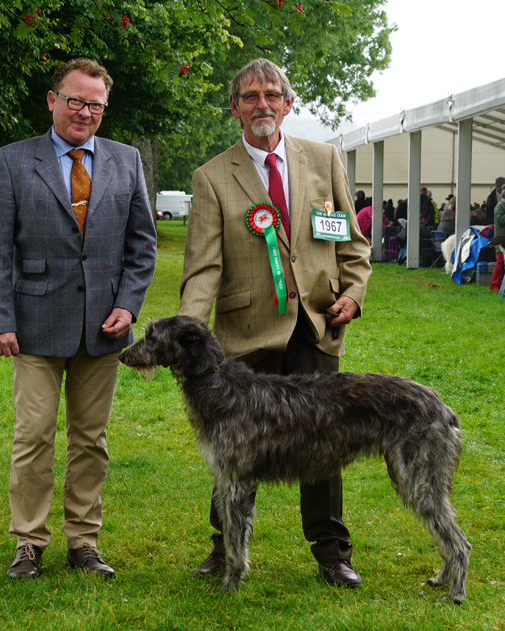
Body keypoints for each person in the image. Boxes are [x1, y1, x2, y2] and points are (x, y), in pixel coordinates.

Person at [178, 58, 371, 588]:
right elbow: (203, 269)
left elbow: (351, 245)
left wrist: (352, 295)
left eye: (271, 95)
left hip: (315, 327)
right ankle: (224, 548)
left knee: (323, 443)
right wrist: (189, 336)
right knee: (235, 448)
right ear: (235, 107)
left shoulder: (325, 158)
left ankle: (332, 552)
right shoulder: (212, 176)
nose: (261, 104)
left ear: (288, 103)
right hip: (243, 336)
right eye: (250, 96)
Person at [0, 58, 157, 580]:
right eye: (75, 100)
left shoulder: (127, 160)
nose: (85, 112)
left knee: (90, 439)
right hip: (32, 324)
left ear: (105, 108)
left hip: (104, 327)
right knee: (33, 435)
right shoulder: (13, 161)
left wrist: (128, 304)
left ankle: (84, 540)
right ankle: (29, 541)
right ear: (53, 100)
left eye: (95, 104)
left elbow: (141, 245)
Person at [490, 188, 505, 291]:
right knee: (500, 262)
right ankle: (495, 285)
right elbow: (500, 220)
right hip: (501, 241)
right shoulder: (499, 207)